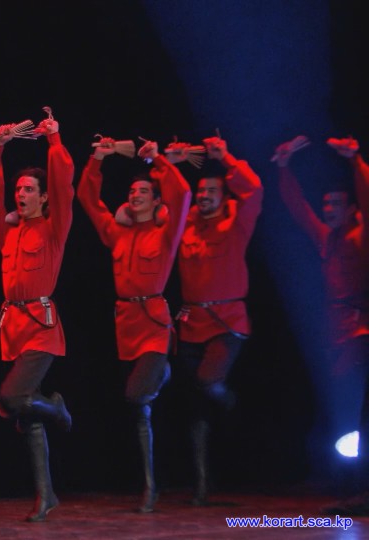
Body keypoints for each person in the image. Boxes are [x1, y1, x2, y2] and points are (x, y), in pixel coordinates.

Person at [77, 136, 192, 513]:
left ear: (156, 200)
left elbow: (182, 194)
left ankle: (150, 484)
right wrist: (98, 159)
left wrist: (157, 160)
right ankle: (150, 485)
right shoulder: (117, 232)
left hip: (155, 323)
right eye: (132, 191)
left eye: (144, 191)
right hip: (126, 326)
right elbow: (87, 198)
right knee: (137, 407)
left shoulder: (165, 233)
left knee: (136, 396)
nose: (136, 194)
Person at [0, 112, 74, 521]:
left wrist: (54, 141)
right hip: (14, 330)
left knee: (12, 399)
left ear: (43, 197)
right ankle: (46, 495)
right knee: (25, 416)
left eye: (29, 189)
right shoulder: (10, 231)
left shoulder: (54, 228)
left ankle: (58, 408)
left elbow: (64, 185)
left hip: (42, 329)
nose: (20, 194)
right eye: (18, 189)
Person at [274, 135, 368, 515]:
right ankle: (351, 489)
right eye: (326, 203)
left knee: (356, 415)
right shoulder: (327, 239)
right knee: (344, 418)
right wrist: (284, 168)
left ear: (352, 210)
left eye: (336, 204)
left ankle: (358, 490)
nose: (328, 209)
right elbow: (298, 209)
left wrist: (355, 162)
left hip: (360, 334)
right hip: (337, 334)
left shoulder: (361, 235)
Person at [175, 136, 263, 506]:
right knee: (194, 405)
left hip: (227, 321)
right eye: (201, 191)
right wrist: (168, 164)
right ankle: (201, 483)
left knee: (208, 381)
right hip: (190, 321)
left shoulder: (236, 223)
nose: (205, 195)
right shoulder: (186, 225)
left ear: (224, 197)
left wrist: (225, 158)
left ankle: (229, 401)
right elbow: (169, 200)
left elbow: (254, 189)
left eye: (212, 191)